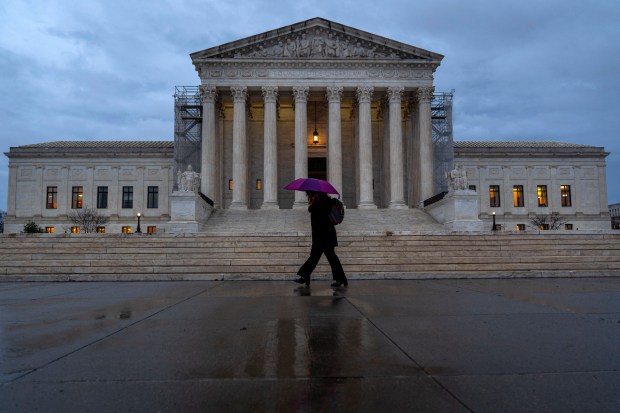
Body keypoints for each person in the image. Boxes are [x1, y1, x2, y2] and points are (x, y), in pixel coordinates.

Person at [295, 191, 348, 287]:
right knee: (321, 258)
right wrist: (312, 204)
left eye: (310, 195)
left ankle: (305, 276)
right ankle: (305, 276)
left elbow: (318, 215)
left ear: (316, 194)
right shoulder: (322, 202)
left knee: (326, 258)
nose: (309, 197)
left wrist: (311, 205)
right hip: (323, 236)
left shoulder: (323, 203)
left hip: (324, 237)